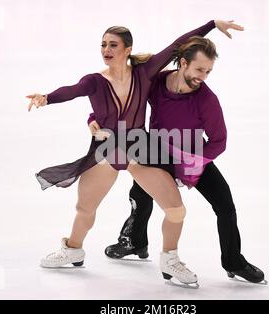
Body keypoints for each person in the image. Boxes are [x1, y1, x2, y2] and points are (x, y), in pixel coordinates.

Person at [26, 20, 242, 286]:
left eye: (113, 45)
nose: (106, 49)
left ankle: (170, 260)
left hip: (139, 149)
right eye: (103, 44)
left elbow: (177, 45)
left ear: (127, 49)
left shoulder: (146, 74)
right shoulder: (95, 81)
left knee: (176, 210)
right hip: (106, 150)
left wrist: (211, 24)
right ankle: (73, 249)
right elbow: (72, 91)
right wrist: (46, 98)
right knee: (85, 209)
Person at [88, 35, 266, 284]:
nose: (203, 76)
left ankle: (233, 261)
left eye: (208, 71)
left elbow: (219, 141)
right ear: (182, 63)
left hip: (192, 154)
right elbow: (124, 101)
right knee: (140, 195)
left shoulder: (207, 100)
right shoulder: (158, 82)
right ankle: (133, 242)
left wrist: (192, 162)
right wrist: (93, 118)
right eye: (199, 69)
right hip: (156, 150)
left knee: (225, 205)